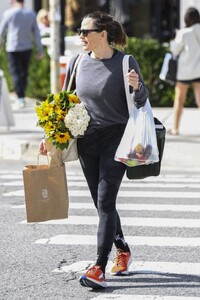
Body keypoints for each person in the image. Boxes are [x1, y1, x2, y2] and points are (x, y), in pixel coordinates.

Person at [40, 11, 148, 289]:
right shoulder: (78, 62)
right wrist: (49, 136)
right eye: (80, 31)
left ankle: (98, 266)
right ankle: (123, 248)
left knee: (105, 199)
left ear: (103, 34)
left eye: (85, 31)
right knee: (102, 204)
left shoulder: (125, 62)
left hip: (117, 139)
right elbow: (63, 102)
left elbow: (142, 99)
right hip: (88, 141)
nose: (80, 36)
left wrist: (137, 89)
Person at [0, 0, 43, 109]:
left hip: (12, 47)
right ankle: (21, 97)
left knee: (15, 73)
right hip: (27, 47)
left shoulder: (9, 13)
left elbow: (2, 29)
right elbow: (37, 33)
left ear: (14, 1)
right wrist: (40, 50)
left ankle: (20, 98)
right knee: (24, 73)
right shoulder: (31, 14)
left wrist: (0, 43)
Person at [169, 7, 200, 135]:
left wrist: (176, 36)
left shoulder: (184, 32)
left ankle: (175, 129)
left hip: (184, 72)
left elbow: (175, 50)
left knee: (179, 100)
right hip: (199, 70)